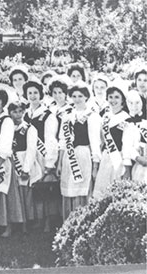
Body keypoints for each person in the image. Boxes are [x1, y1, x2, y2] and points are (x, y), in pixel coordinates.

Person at [58, 82, 101, 220]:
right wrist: (59, 163)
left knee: (82, 188)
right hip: (68, 157)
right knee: (69, 188)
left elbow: (95, 142)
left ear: (86, 97)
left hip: (84, 155)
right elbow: (62, 142)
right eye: (74, 96)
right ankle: (68, 221)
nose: (77, 99)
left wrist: (95, 166)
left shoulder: (92, 116)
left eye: (80, 96)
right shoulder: (67, 117)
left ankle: (83, 221)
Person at [23, 80, 60, 232]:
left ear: (41, 95)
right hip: (29, 156)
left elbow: (51, 140)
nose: (32, 96)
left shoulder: (48, 115)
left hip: (42, 156)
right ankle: (38, 219)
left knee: (46, 190)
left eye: (35, 93)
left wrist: (49, 164)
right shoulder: (25, 114)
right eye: (29, 93)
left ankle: (48, 221)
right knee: (35, 190)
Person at [0, 88, 23, 238]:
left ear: (3, 102)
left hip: (3, 160)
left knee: (4, 191)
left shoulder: (6, 120)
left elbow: (5, 145)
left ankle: (9, 225)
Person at [93, 86, 135, 198]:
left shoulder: (127, 119)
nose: (113, 100)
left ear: (123, 100)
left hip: (119, 160)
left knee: (116, 194)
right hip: (106, 158)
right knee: (102, 194)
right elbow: (101, 140)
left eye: (117, 97)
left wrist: (126, 167)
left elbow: (127, 144)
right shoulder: (105, 117)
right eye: (110, 97)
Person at [9, 101, 42, 233]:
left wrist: (26, 169)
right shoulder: (8, 128)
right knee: (14, 194)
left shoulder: (29, 129)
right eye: (14, 112)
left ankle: (25, 224)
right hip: (12, 162)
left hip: (24, 162)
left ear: (24, 112)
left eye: (20, 111)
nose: (17, 114)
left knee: (25, 195)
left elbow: (31, 150)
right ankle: (15, 221)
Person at [124, 91, 147, 183]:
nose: (134, 106)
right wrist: (137, 157)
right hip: (141, 164)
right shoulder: (129, 123)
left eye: (137, 103)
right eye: (131, 103)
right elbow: (128, 146)